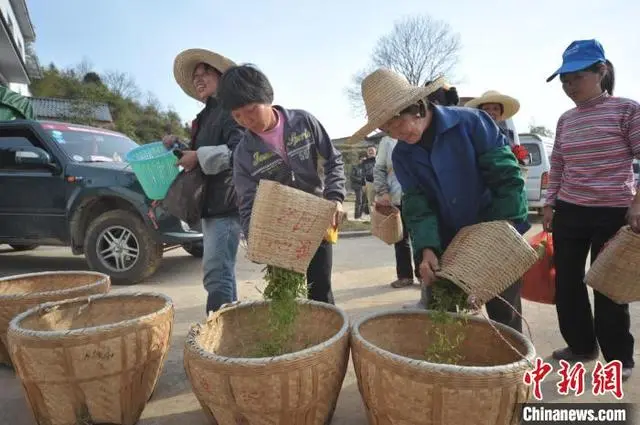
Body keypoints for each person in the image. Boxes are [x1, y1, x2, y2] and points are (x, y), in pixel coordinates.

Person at [349, 69, 530, 333]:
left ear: (417, 108)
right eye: (387, 130)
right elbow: (418, 206)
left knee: (503, 311)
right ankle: (451, 371)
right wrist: (427, 248)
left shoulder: (472, 124)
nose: (396, 135)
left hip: (492, 227)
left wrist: (503, 230)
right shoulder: (403, 156)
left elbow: (506, 179)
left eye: (397, 124)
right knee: (443, 312)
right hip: (448, 240)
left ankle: (513, 368)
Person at [542, 39, 638, 381]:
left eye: (576, 78)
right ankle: (581, 345)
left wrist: (637, 203)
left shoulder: (627, 110)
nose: (569, 87)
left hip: (613, 213)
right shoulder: (566, 120)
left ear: (601, 71)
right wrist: (550, 202)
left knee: (608, 286)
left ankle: (618, 358)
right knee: (567, 283)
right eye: (565, 81)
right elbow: (559, 164)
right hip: (570, 211)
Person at [217, 64, 347, 305]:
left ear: (267, 97)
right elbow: (246, 202)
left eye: (251, 110)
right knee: (284, 297)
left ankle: (327, 339)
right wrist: (254, 240)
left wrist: (335, 197)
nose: (247, 121)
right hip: (279, 230)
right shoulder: (244, 154)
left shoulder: (304, 122)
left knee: (320, 292)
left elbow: (333, 160)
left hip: (317, 221)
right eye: (237, 116)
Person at [163, 48, 245, 315]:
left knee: (216, 274)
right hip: (210, 204)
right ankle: (231, 330)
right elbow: (202, 154)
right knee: (222, 272)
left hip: (226, 203)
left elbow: (239, 153)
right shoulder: (205, 116)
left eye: (205, 72)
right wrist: (179, 146)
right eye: (195, 75)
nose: (198, 79)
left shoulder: (232, 111)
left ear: (221, 76)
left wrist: (197, 155)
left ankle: (218, 337)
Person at [373, 134, 420, 288]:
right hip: (396, 196)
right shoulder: (387, 141)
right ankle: (405, 275)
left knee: (421, 237)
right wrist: (383, 192)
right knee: (400, 239)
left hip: (419, 196)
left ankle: (424, 275)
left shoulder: (418, 134)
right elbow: (379, 168)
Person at [350, 155, 367, 219]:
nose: (363, 161)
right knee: (359, 201)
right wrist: (362, 180)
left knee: (364, 201)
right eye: (362, 160)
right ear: (359, 160)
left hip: (365, 187)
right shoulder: (355, 167)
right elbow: (352, 177)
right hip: (358, 186)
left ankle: (360, 215)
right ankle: (357, 216)